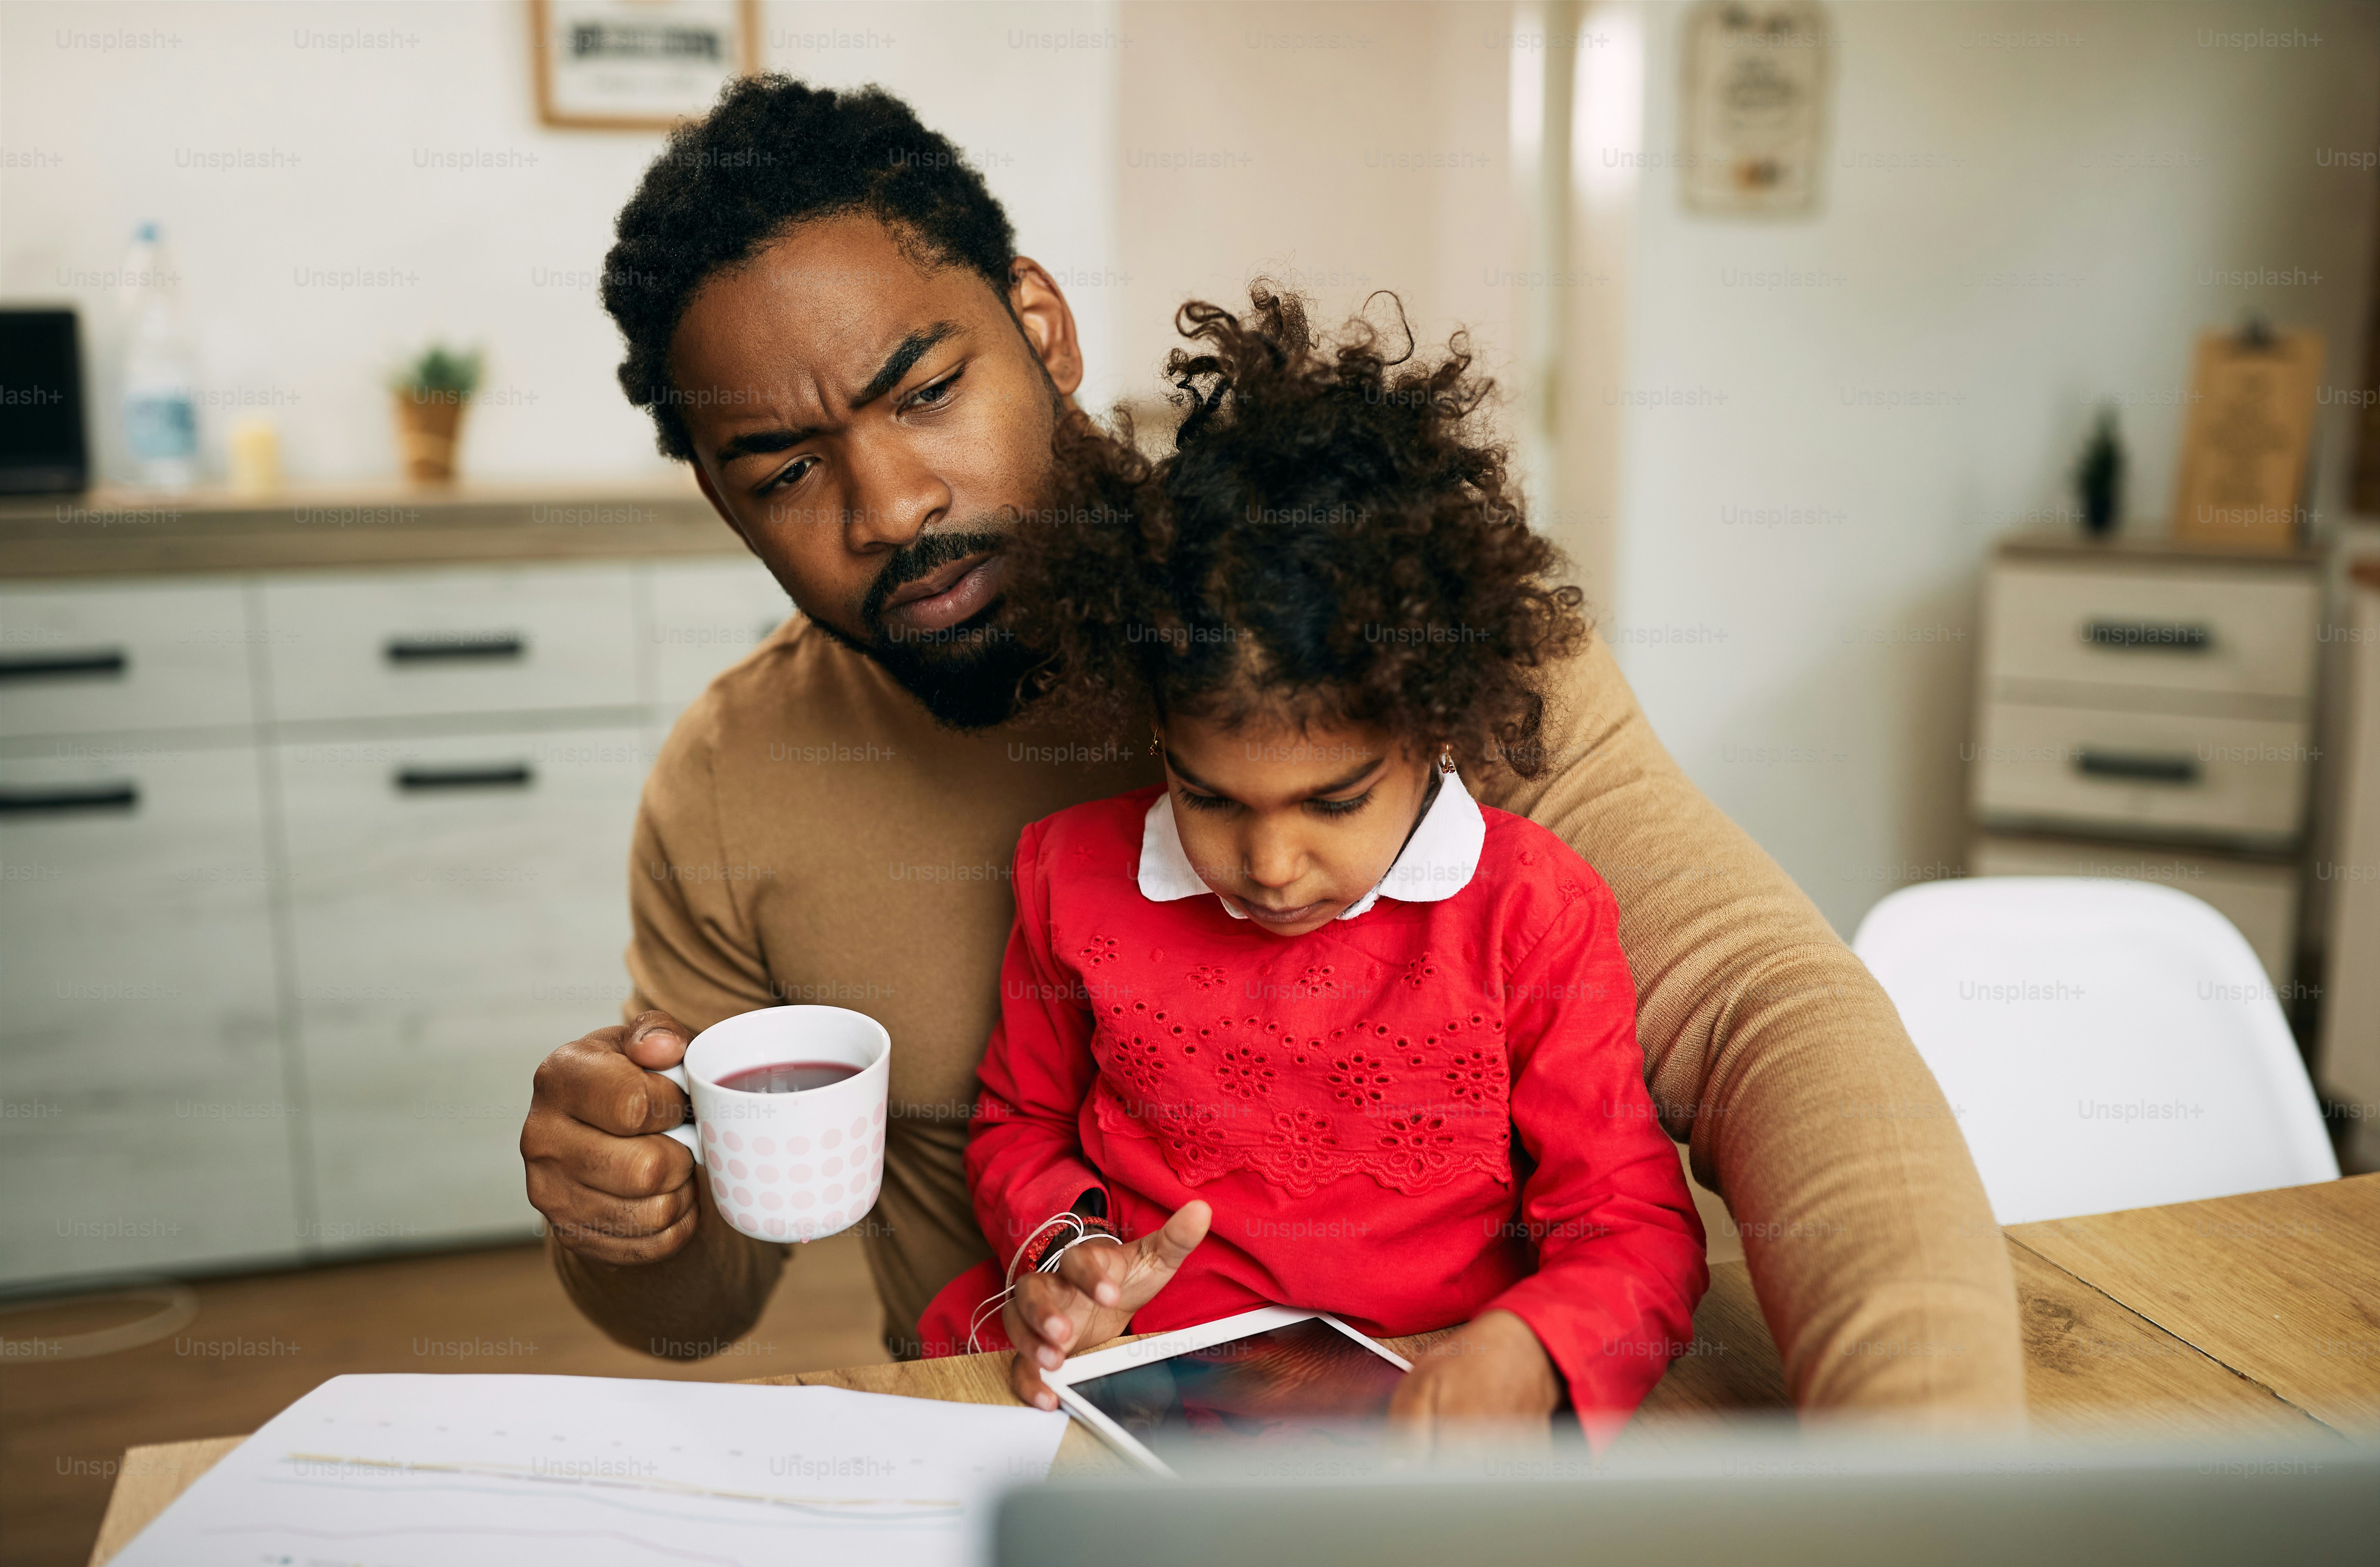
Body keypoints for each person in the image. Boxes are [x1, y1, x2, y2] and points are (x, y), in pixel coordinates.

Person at [520, 74, 2024, 1423]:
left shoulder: (1388, 614)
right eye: (784, 469)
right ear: (724, 504)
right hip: (1069, 1470)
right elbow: (701, 1308)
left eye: (927, 393)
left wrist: (1936, 1463)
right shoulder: (731, 784)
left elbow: (1768, 1013)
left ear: (1036, 324)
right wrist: (627, 1212)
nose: (890, 503)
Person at [909, 287, 1709, 1439]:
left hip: (1430, 1385)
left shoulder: (1528, 912)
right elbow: (1019, 1127)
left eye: (1333, 802)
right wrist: (1073, 1258)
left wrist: (1532, 1349)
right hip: (1144, 1367)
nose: (1271, 864)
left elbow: (1631, 1220)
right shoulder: (1070, 876)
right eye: (1211, 797)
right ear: (1159, 738)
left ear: (1434, 727)